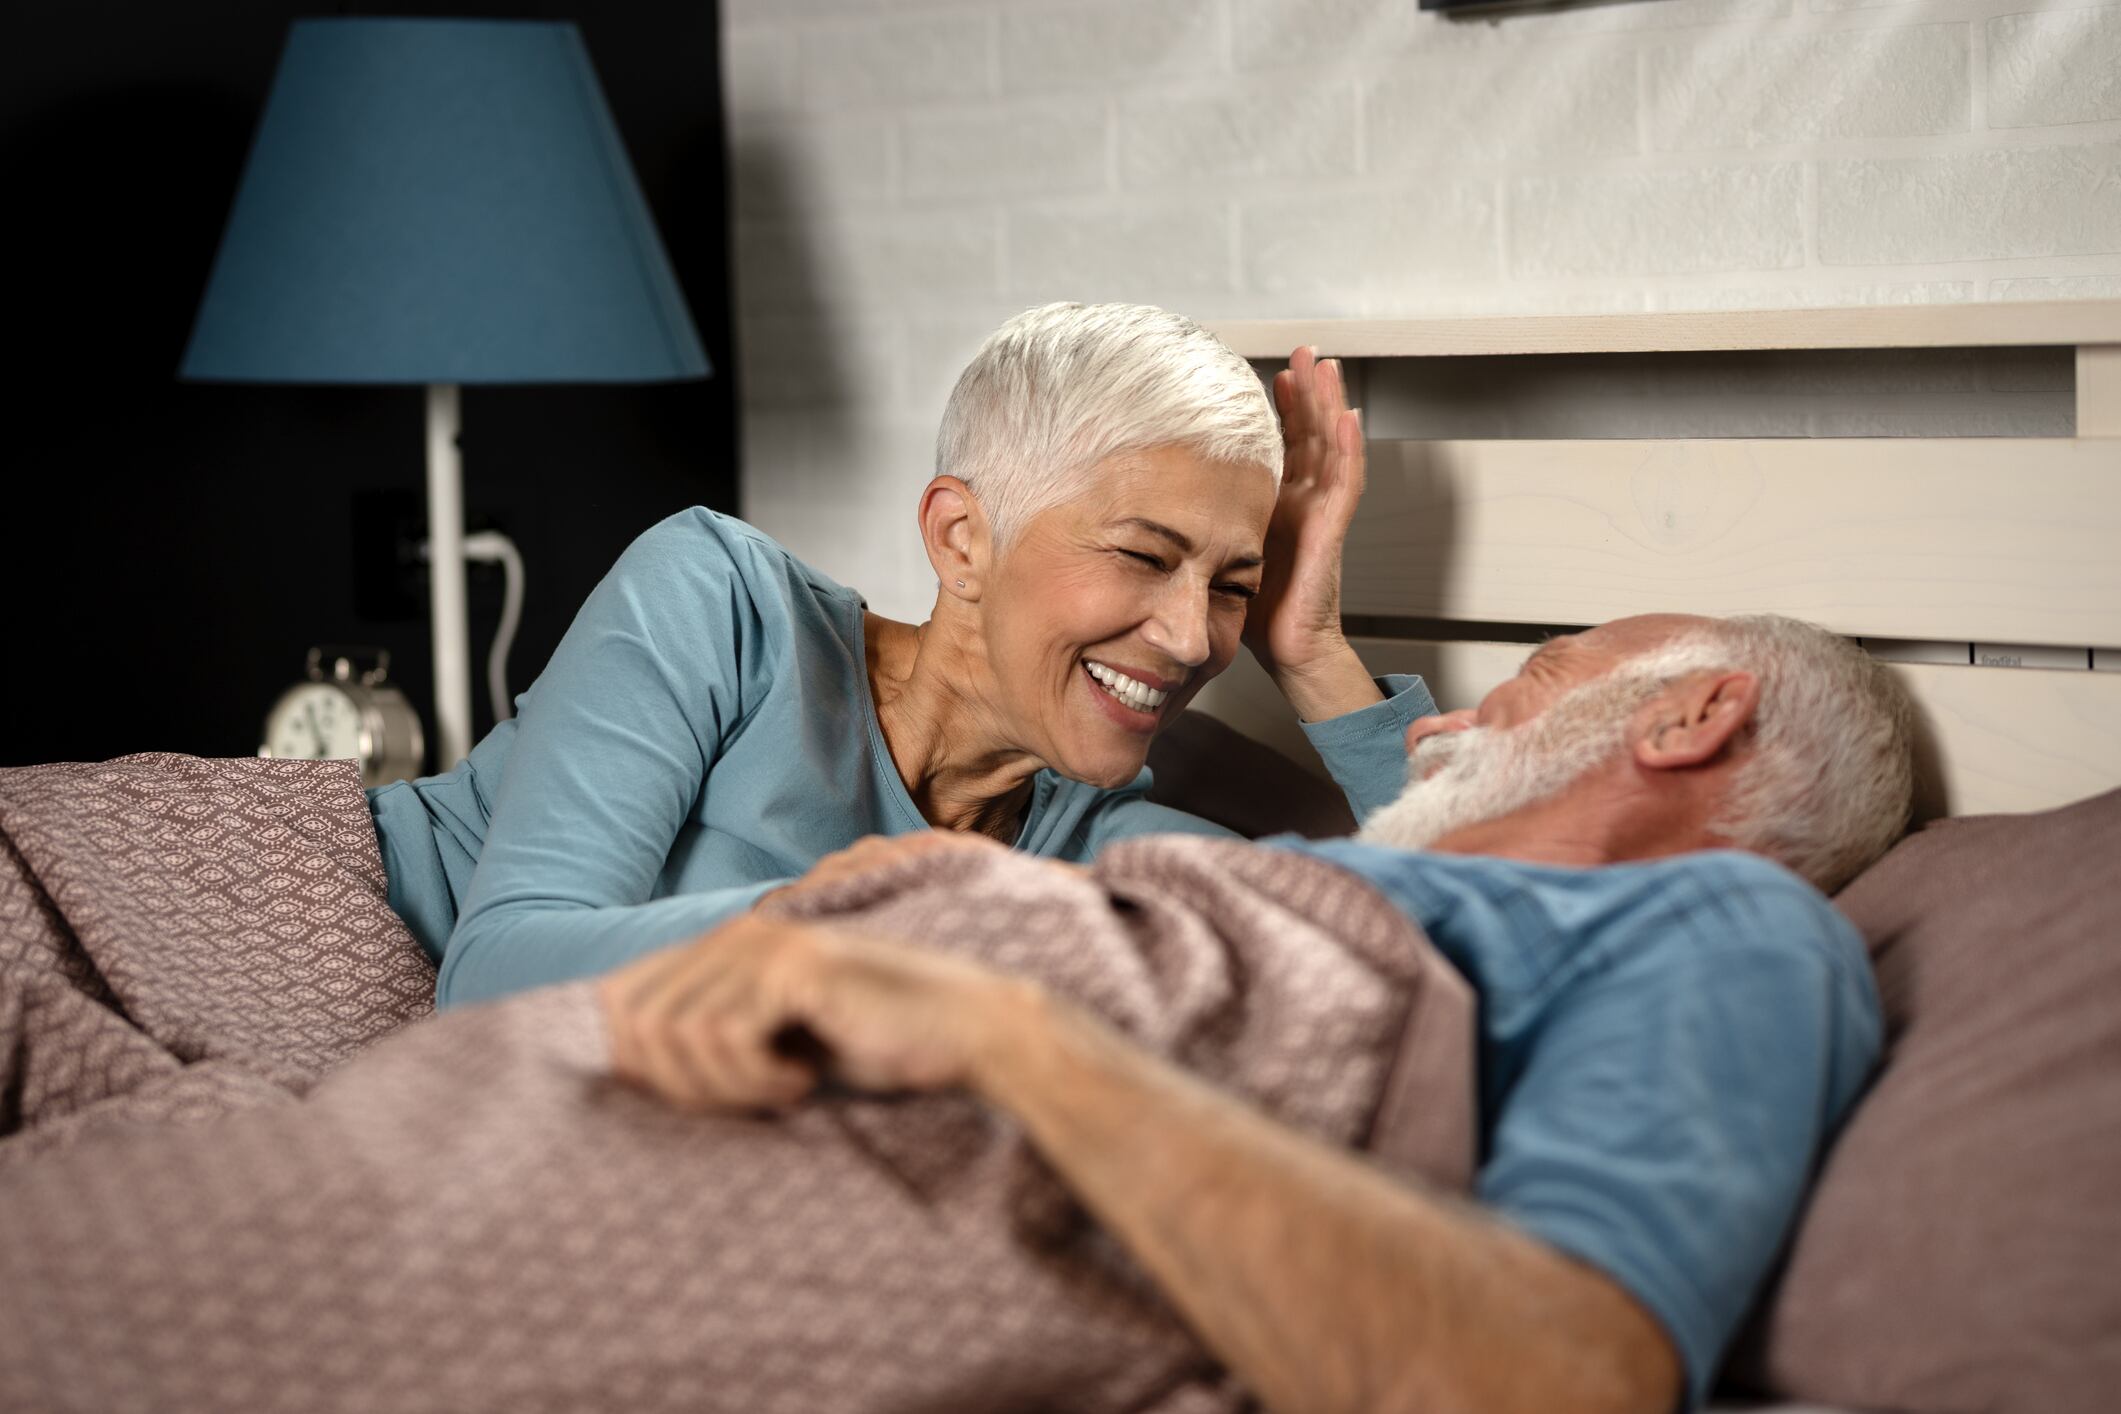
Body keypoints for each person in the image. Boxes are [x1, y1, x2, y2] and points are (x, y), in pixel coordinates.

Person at [601, 610, 1915, 1414]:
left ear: (1693, 714)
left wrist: (1006, 1021)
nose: (1440, 726)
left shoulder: (1737, 931)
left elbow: (1569, 1376)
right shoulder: (1335, 880)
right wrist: (947, 896)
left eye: (1541, 667)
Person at [369, 303, 1437, 1008]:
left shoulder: (1095, 840)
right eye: (1143, 556)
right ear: (961, 538)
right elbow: (497, 975)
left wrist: (1310, 652)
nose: (1193, 634)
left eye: (1233, 586)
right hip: (307, 924)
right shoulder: (722, 602)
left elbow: (1466, 933)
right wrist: (886, 910)